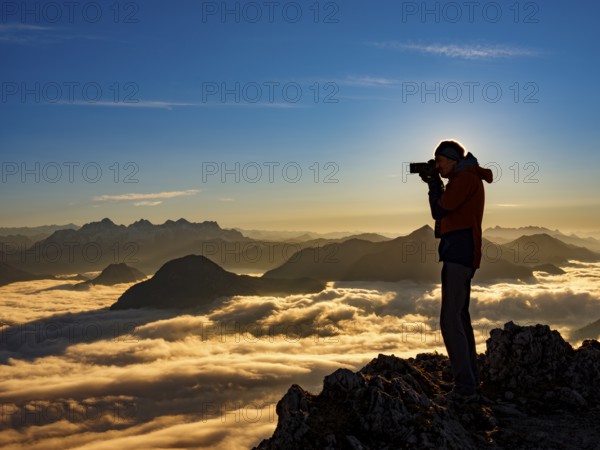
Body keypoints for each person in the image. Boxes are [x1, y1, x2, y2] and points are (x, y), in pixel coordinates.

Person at [419, 140, 493, 403]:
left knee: (450, 320)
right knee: (460, 318)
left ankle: (465, 387)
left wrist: (432, 185)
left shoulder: (464, 179)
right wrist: (436, 183)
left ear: (451, 159)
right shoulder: (465, 178)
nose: (437, 166)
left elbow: (439, 209)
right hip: (461, 252)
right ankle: (470, 380)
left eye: (439, 161)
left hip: (459, 253)